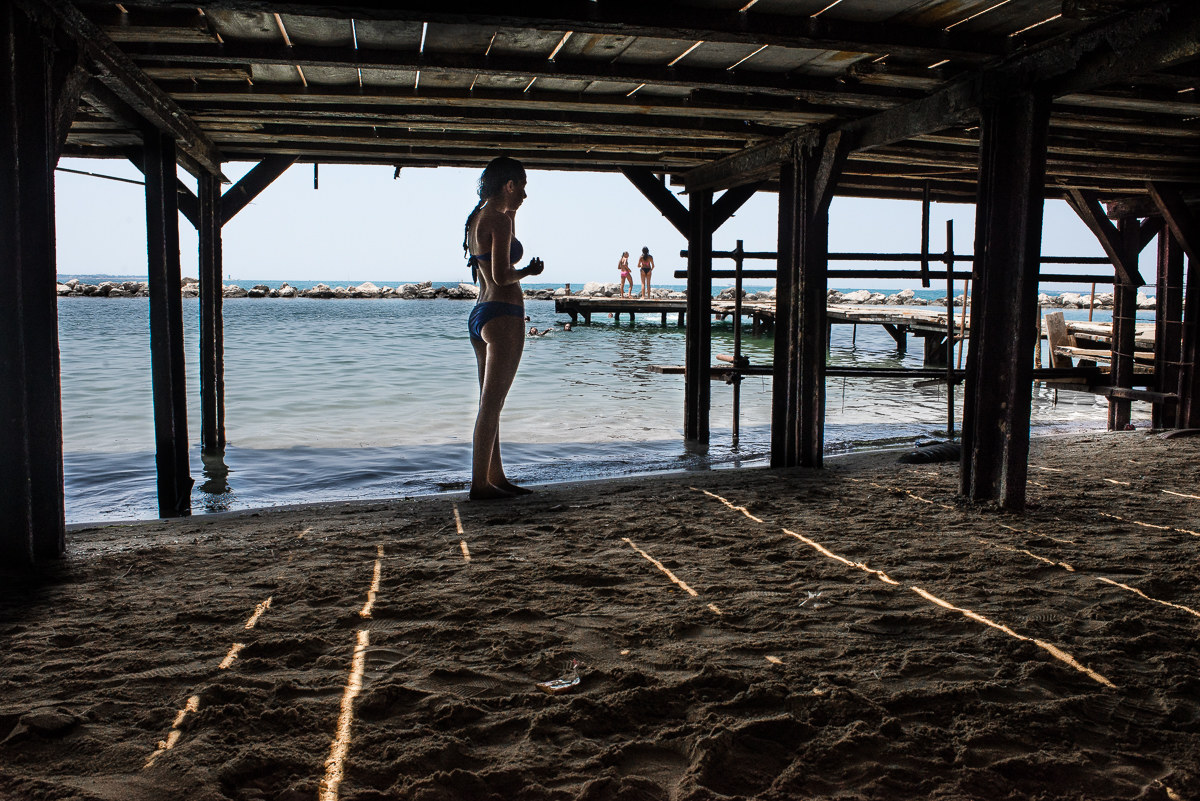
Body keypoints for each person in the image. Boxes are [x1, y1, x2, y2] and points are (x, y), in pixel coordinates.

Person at [463, 156, 544, 500]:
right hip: (503, 314)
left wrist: (511, 208)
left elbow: (487, 270)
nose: (525, 195)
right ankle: (480, 485)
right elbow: (501, 275)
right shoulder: (498, 219)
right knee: (491, 406)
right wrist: (528, 272)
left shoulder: (479, 217)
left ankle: (495, 477)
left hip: (480, 312)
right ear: (509, 185)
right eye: (522, 186)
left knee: (488, 403)